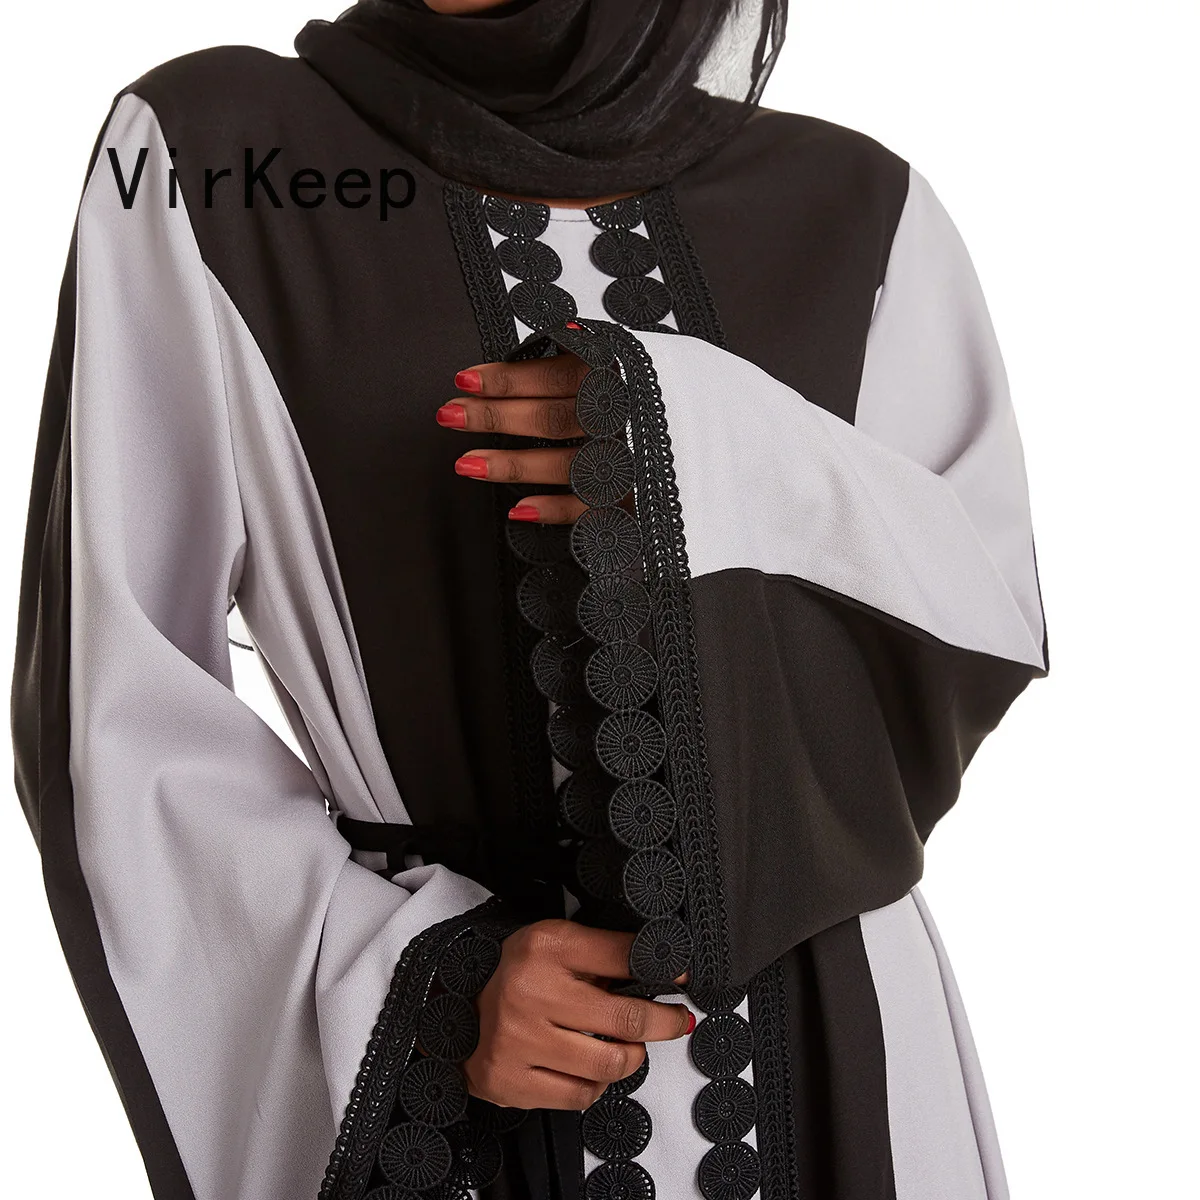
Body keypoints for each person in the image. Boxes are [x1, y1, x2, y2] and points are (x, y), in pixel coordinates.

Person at [10, 2, 1047, 1198]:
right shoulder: (210, 151)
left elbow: (975, 629)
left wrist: (698, 448)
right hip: (466, 1099)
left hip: (855, 1059)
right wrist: (422, 985)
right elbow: (115, 703)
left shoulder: (863, 206)